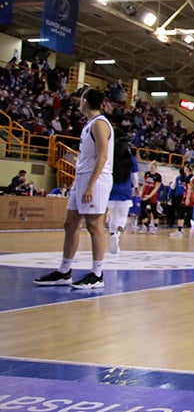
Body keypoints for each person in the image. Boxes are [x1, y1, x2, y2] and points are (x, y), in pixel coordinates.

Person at [34, 88, 113, 290]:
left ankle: (97, 274)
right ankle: (64, 271)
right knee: (70, 224)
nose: (79, 103)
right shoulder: (90, 124)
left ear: (85, 101)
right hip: (82, 178)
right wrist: (79, 181)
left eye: (80, 100)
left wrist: (90, 185)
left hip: (96, 181)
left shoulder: (100, 124)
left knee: (94, 226)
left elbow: (103, 157)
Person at [106, 133, 138, 255]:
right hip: (125, 191)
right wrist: (136, 186)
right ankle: (118, 233)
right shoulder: (131, 159)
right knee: (123, 217)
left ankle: (113, 235)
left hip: (112, 190)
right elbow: (134, 176)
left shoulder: (111, 158)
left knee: (113, 216)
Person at [167, 164, 192, 237]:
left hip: (182, 197)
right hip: (185, 197)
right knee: (182, 213)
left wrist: (169, 197)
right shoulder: (183, 178)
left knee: (180, 213)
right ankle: (181, 229)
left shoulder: (179, 178)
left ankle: (180, 230)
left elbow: (172, 188)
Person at [138, 161, 162, 233]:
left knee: (154, 211)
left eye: (152, 167)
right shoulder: (147, 174)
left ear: (155, 167)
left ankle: (155, 227)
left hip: (152, 195)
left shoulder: (158, 176)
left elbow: (156, 188)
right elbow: (145, 184)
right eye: (150, 167)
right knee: (142, 210)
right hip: (145, 194)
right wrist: (141, 192)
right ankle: (145, 226)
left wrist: (149, 196)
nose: (151, 169)